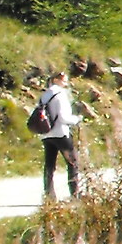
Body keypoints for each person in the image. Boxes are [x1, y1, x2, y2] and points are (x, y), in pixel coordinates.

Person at [38, 69, 85, 201]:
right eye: (63, 79)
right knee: (72, 162)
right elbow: (63, 118)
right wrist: (76, 119)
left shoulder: (44, 95)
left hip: (46, 134)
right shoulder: (60, 94)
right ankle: (75, 194)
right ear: (56, 80)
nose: (65, 81)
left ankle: (49, 195)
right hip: (61, 133)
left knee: (49, 165)